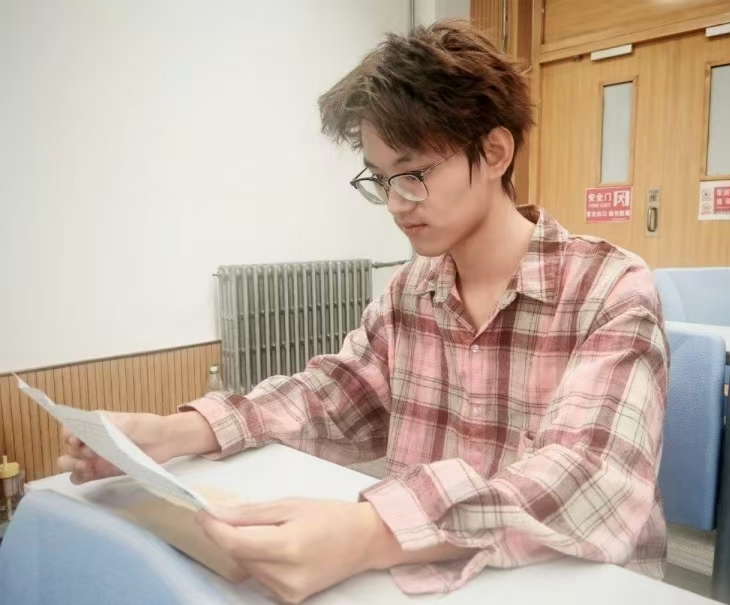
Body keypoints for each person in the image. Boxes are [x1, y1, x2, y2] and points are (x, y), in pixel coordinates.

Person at [58, 20, 668, 605]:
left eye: (413, 174)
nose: (396, 204)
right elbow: (332, 397)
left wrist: (371, 533)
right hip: (422, 581)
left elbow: (591, 478)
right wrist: (174, 434)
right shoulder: (411, 291)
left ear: (495, 151)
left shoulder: (608, 288)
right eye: (380, 179)